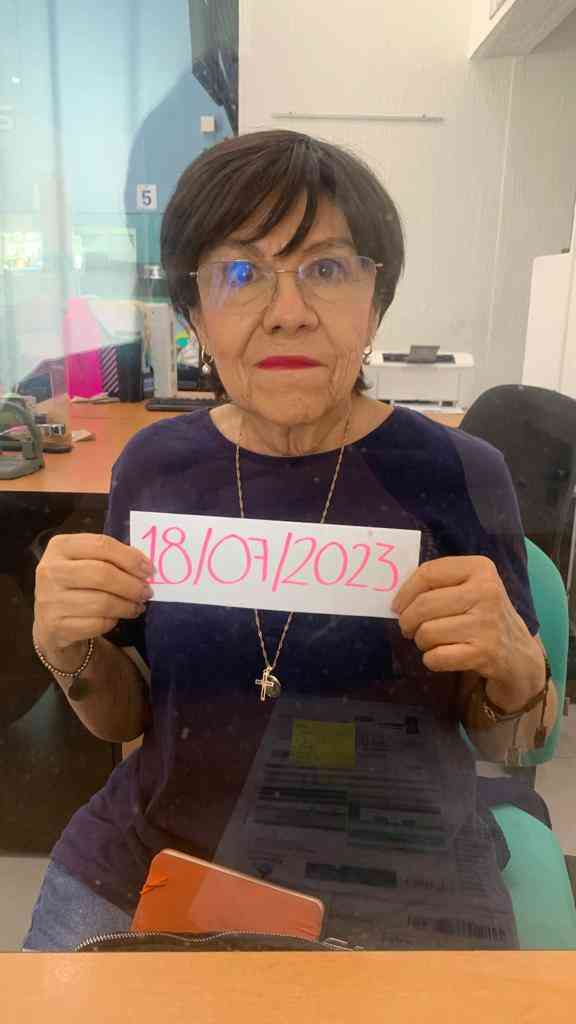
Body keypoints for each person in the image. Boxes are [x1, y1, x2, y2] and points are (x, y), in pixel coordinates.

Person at [24, 130, 556, 951]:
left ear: (375, 302)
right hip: (158, 864)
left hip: (403, 881)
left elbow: (502, 737)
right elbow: (126, 716)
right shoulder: (154, 467)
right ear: (195, 314)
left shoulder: (460, 473)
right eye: (241, 274)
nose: (288, 311)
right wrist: (68, 650)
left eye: (327, 269)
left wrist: (520, 674)